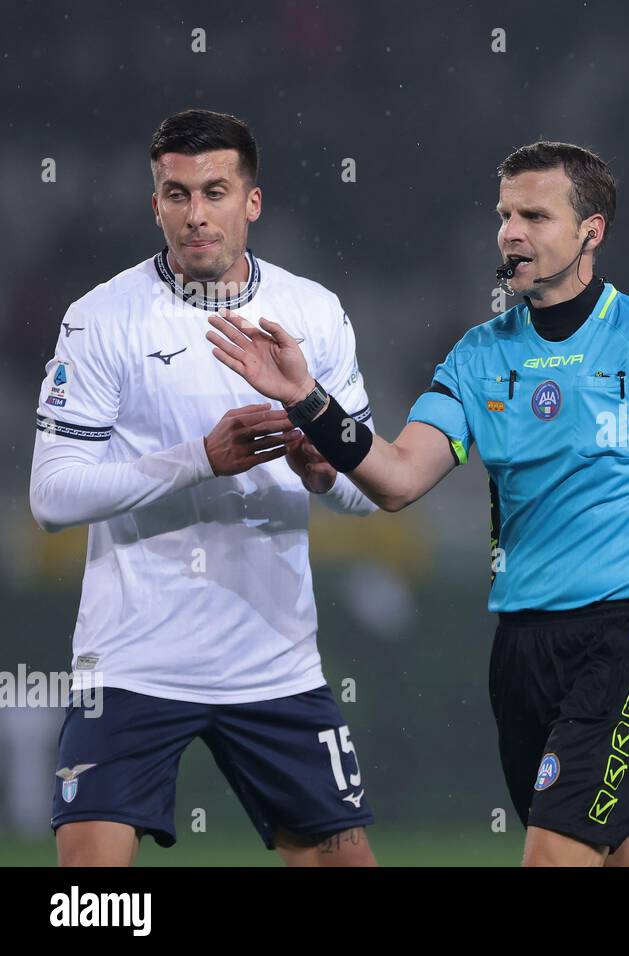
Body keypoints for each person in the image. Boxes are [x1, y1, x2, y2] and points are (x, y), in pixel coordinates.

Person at [206, 140, 629, 867]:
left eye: (535, 215)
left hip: (622, 645)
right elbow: (395, 479)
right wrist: (308, 400)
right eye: (505, 213)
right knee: (617, 857)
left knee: (552, 859)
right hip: (519, 654)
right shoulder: (479, 356)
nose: (511, 231)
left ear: (591, 231)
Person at [31, 109, 378, 866]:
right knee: (89, 895)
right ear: (154, 204)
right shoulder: (100, 320)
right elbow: (52, 498)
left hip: (274, 663)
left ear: (251, 200)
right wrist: (200, 458)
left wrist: (324, 472)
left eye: (214, 191)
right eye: (176, 194)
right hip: (132, 661)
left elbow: (367, 489)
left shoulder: (313, 313)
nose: (196, 215)